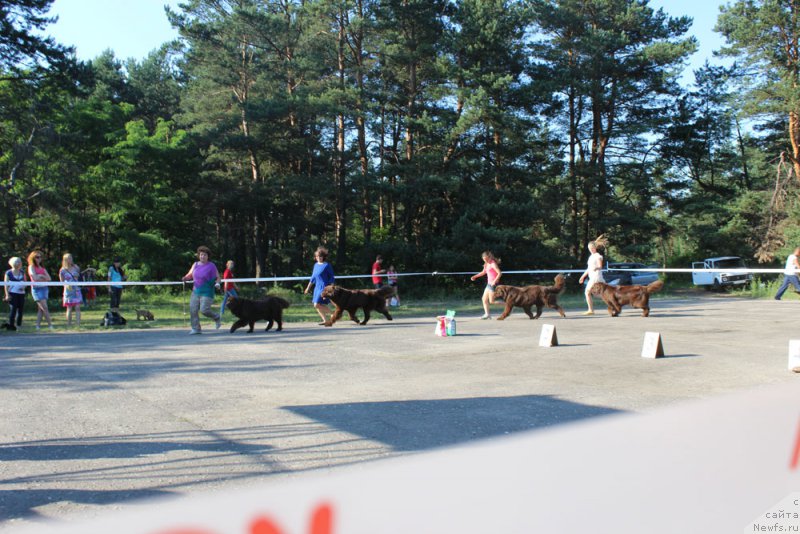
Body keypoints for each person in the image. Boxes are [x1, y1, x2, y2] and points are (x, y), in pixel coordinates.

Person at [182, 246, 221, 335]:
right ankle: (196, 328)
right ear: (199, 255)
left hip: (207, 292)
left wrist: (217, 283)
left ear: (208, 256)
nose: (202, 256)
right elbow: (190, 275)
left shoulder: (211, 266)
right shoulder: (195, 265)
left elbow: (218, 277)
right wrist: (185, 278)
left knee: (204, 310)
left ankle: (216, 317)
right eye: (201, 255)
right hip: (196, 291)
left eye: (204, 255)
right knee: (193, 309)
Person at [304, 246, 335, 326]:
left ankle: (333, 314)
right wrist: (308, 288)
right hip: (317, 287)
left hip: (324, 287)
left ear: (323, 257)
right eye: (317, 256)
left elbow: (331, 277)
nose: (318, 258)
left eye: (320, 256)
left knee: (316, 304)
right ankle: (325, 320)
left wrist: (331, 288)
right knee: (317, 305)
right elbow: (313, 278)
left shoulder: (327, 265)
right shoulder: (315, 265)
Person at [578, 235, 608, 315]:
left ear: (595, 248)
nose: (591, 249)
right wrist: (582, 276)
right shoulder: (591, 257)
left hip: (596, 277)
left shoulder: (597, 256)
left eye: (592, 248)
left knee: (587, 292)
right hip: (593, 277)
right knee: (599, 294)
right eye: (589, 248)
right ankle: (613, 303)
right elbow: (588, 269)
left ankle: (591, 310)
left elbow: (600, 266)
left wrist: (596, 268)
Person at [470, 251, 502, 320]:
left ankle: (509, 304)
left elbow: (499, 273)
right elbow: (483, 272)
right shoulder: (486, 264)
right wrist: (475, 276)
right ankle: (487, 315)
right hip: (489, 284)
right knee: (484, 299)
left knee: (492, 301)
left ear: (490, 257)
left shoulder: (493, 264)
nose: (486, 261)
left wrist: (494, 281)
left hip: (493, 284)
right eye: (484, 260)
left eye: (487, 259)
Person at [27, 251, 53, 330]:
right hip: (36, 289)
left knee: (41, 309)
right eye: (37, 257)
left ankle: (37, 326)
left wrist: (40, 276)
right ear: (33, 258)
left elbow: (49, 278)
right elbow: (35, 278)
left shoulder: (42, 268)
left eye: (40, 257)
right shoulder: (31, 267)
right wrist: (42, 276)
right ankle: (50, 325)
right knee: (44, 307)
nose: (39, 259)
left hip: (44, 288)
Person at [59, 253, 82, 328]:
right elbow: (61, 281)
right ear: (65, 260)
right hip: (69, 290)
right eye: (68, 258)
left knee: (78, 307)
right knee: (69, 307)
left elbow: (79, 276)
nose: (70, 260)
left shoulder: (76, 267)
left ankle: (78, 324)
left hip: (76, 289)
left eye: (71, 258)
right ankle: (69, 324)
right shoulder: (62, 270)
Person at [4, 257, 26, 330]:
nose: (19, 263)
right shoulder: (8, 273)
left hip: (21, 293)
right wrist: (7, 295)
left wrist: (24, 287)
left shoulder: (22, 272)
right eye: (17, 262)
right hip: (12, 293)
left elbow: (26, 282)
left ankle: (19, 325)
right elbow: (6, 284)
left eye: (19, 262)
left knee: (21, 310)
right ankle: (11, 325)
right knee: (13, 309)